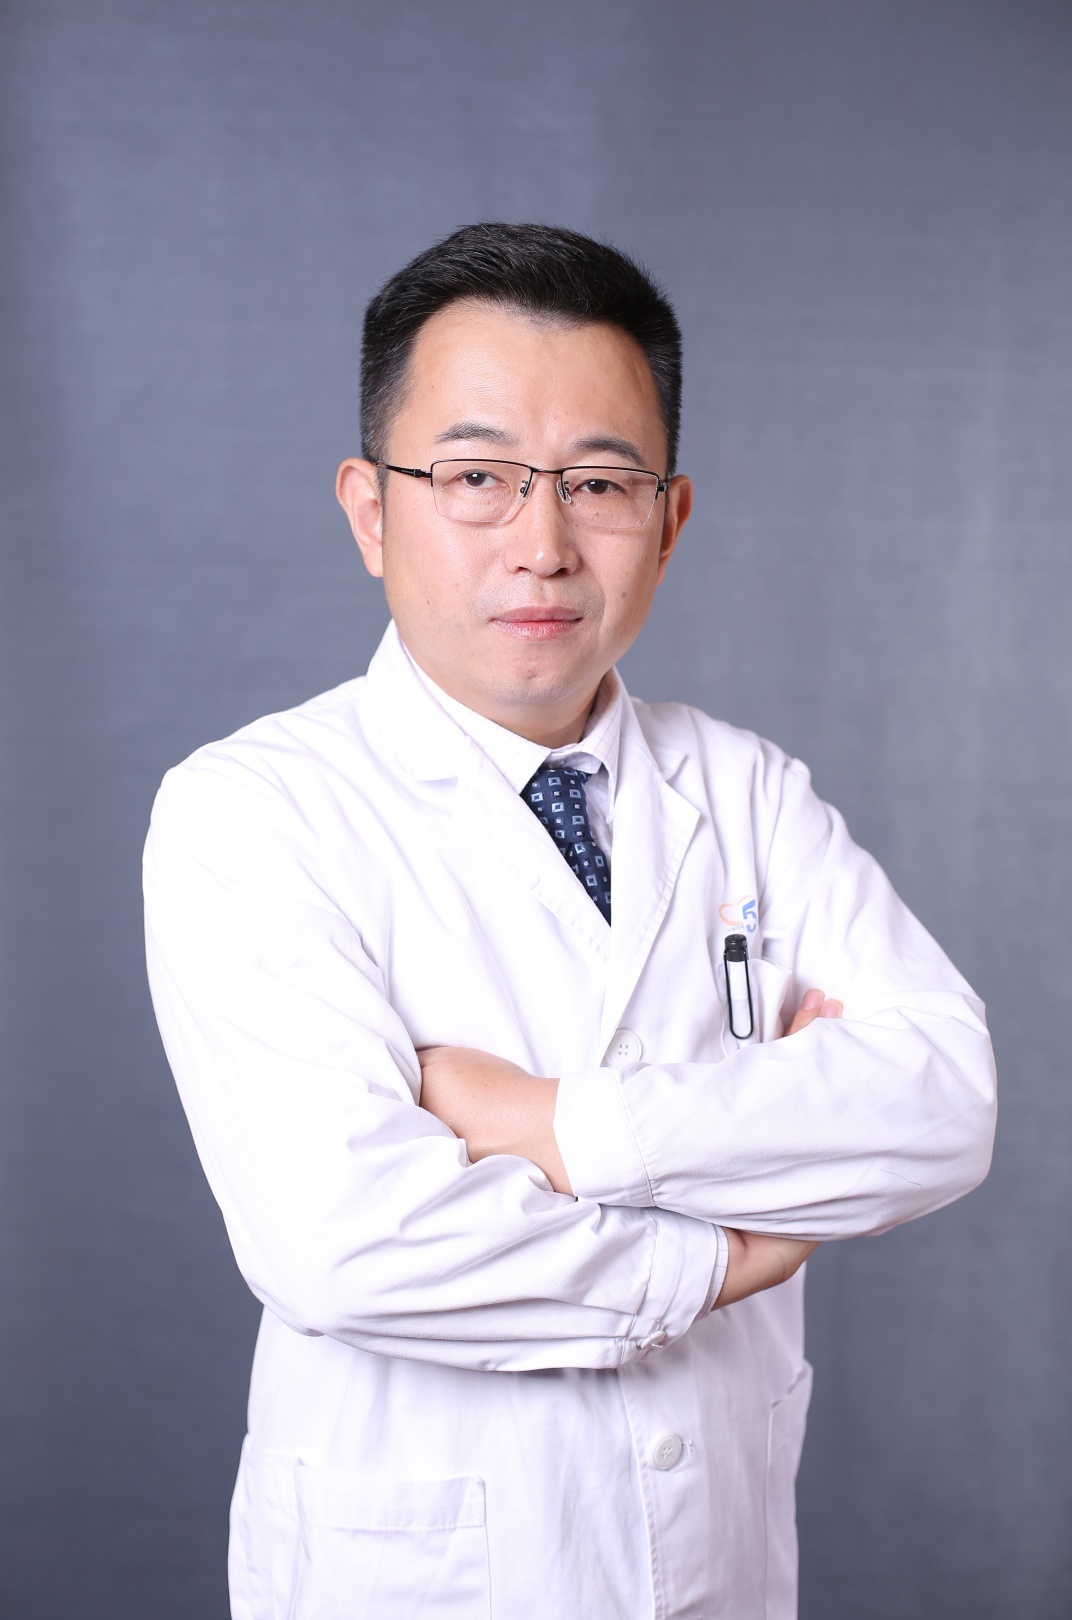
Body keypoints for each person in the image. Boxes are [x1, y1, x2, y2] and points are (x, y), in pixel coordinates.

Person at [143, 222, 996, 1620]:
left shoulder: (747, 789)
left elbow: (944, 1103)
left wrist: (553, 1126)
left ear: (670, 518)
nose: (541, 547)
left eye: (599, 483)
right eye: (476, 478)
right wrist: (720, 1255)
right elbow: (346, 1240)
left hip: (721, 1559)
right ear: (370, 510)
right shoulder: (253, 810)